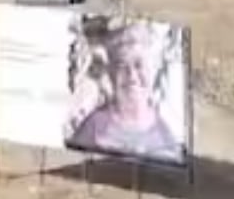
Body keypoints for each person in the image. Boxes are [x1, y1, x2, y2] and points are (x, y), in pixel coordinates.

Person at [65, 19, 182, 162]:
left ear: (152, 70)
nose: (132, 75)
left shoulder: (166, 137)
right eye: (121, 65)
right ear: (111, 73)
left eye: (139, 65)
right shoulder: (94, 128)